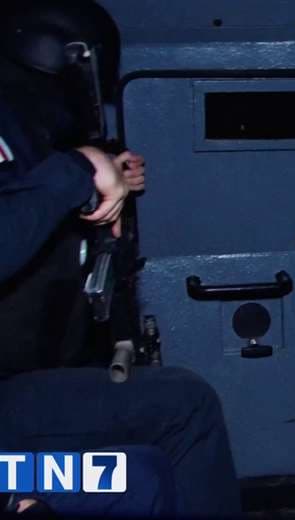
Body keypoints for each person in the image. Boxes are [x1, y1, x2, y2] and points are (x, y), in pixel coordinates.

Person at [0, 1, 241, 516]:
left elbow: (28, 200)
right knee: (136, 478)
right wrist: (79, 172)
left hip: (13, 394)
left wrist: (105, 178)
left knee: (186, 401)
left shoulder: (33, 146)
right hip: (4, 463)